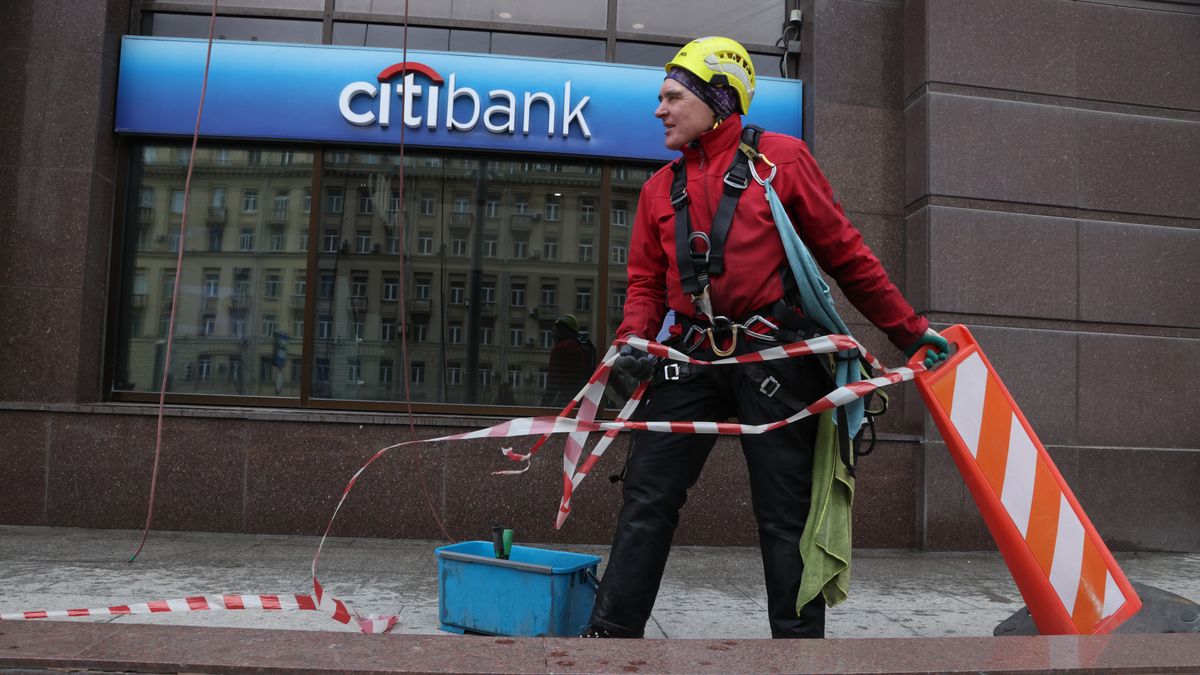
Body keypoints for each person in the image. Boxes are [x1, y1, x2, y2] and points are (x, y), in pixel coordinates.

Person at [582, 36, 948, 639]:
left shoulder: (781, 160)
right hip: (690, 358)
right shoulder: (656, 191)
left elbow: (847, 255)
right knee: (647, 498)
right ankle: (609, 637)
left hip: (774, 356)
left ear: (719, 98)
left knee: (785, 515)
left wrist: (909, 333)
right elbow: (646, 286)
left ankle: (798, 651)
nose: (659, 110)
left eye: (673, 97)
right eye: (661, 98)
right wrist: (631, 343)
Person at [544, 314, 595, 407]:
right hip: (589, 400)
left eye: (555, 331)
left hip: (568, 401)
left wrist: (544, 405)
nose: (553, 335)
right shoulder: (586, 345)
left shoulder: (562, 348)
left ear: (563, 330)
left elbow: (553, 379)